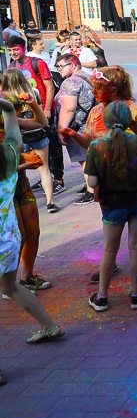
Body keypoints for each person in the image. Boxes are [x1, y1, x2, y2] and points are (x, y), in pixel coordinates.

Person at [62, 66, 137, 283]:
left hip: (132, 180)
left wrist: (131, 140)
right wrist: (72, 134)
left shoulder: (133, 111)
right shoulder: (96, 111)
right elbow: (90, 141)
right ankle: (110, 262)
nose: (93, 93)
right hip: (106, 182)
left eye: (97, 89)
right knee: (110, 222)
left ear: (113, 89)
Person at [0, 95, 65, 371]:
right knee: (11, 286)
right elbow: (14, 133)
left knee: (10, 287)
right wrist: (7, 108)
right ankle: (49, 326)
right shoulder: (9, 156)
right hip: (9, 240)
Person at [85, 101, 137, 312]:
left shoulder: (96, 146)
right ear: (128, 121)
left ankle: (102, 297)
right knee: (136, 247)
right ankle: (135, 295)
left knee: (109, 249)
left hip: (113, 205)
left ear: (105, 120)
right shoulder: (136, 141)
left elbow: (92, 183)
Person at [0, 73, 52, 292]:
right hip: (5, 190)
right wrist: (23, 166)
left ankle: (27, 276)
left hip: (20, 184)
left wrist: (33, 103)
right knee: (15, 236)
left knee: (33, 232)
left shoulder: (11, 123)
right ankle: (9, 286)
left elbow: (42, 122)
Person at [54, 53, 95, 208]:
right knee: (90, 156)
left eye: (61, 66)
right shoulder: (87, 76)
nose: (59, 70)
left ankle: (91, 191)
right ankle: (90, 184)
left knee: (84, 159)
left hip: (77, 128)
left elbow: (68, 108)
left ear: (73, 65)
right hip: (91, 125)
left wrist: (61, 129)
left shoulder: (70, 82)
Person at [6, 36, 54, 116]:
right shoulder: (11, 67)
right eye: (9, 50)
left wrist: (47, 109)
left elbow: (50, 87)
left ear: (24, 49)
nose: (12, 53)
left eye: (16, 49)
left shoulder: (38, 63)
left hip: (42, 108)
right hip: (24, 111)